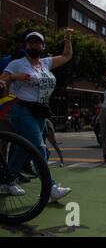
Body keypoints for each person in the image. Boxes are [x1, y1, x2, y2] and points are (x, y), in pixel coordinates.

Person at [0, 29, 73, 201]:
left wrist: (68, 39)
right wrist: (15, 77)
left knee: (23, 150)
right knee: (38, 147)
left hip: (41, 112)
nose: (34, 45)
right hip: (23, 111)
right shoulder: (17, 64)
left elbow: (66, 56)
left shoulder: (46, 63)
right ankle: (51, 188)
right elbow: (3, 80)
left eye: (37, 43)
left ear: (43, 46)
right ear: (26, 46)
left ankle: (7, 181)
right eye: (31, 42)